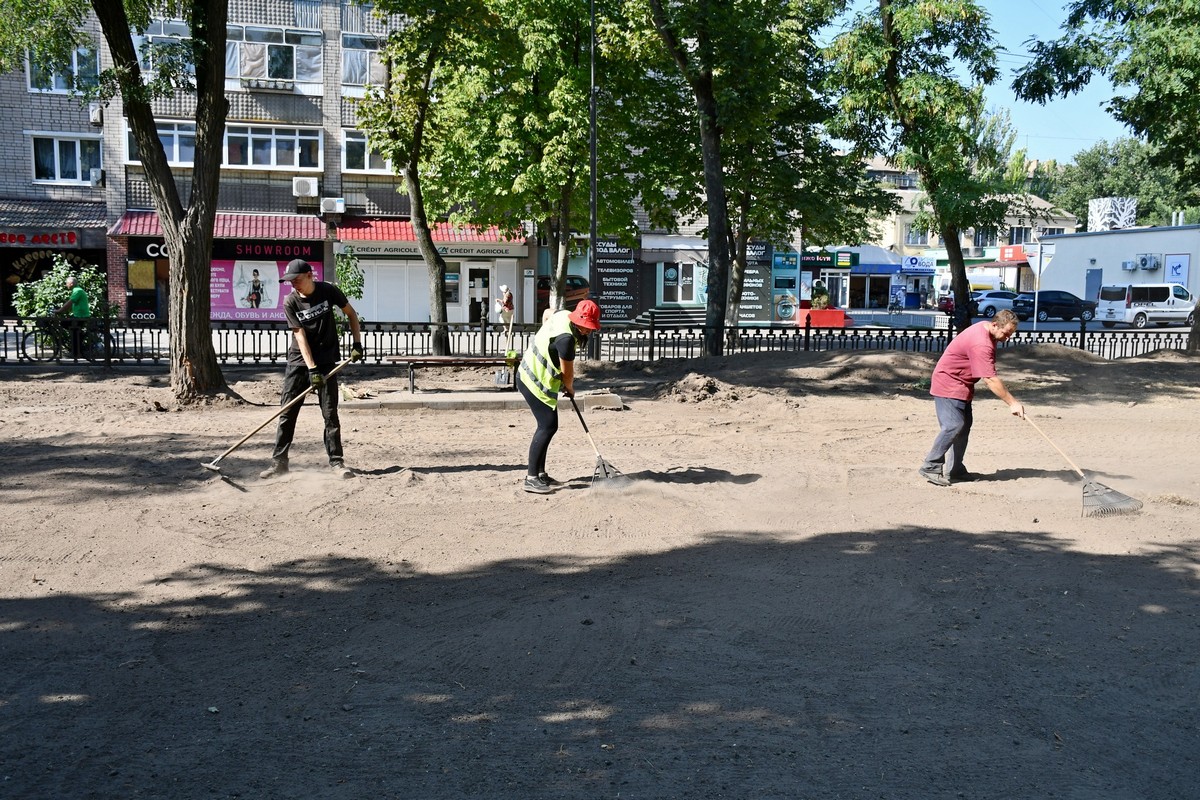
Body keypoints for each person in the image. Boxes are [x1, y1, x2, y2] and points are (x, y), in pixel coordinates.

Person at [261, 259, 364, 480]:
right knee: (287, 413)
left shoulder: (328, 291)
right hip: (299, 363)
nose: (293, 285)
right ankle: (279, 463)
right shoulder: (291, 302)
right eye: (290, 281)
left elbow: (351, 314)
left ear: (310, 275)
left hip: (326, 362)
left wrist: (357, 344)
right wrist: (312, 369)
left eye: (297, 280)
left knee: (330, 414)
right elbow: (299, 336)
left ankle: (337, 463)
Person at [919, 308, 1024, 486]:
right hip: (948, 383)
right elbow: (990, 379)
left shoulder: (986, 329)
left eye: (1011, 335)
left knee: (964, 427)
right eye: (1006, 334)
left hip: (962, 384)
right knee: (954, 425)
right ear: (995, 325)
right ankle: (931, 465)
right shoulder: (981, 343)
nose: (1007, 338)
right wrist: (1012, 403)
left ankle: (955, 469)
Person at [517, 298, 601, 494]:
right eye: (585, 326)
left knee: (547, 425)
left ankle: (540, 474)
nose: (587, 330)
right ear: (577, 319)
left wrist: (546, 334)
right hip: (534, 381)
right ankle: (531, 478)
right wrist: (570, 388)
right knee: (547, 425)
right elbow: (568, 374)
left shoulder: (562, 314)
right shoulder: (566, 341)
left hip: (532, 374)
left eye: (590, 327)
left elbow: (547, 312)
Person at [58, 275, 91, 357]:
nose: (66, 285)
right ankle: (77, 342)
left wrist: (59, 311)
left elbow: (70, 302)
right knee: (73, 331)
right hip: (79, 315)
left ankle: (76, 352)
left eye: (67, 283)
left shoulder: (77, 291)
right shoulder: (77, 290)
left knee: (64, 324)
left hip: (81, 316)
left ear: (71, 284)